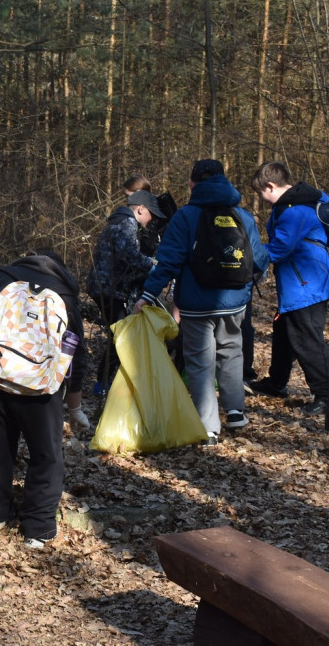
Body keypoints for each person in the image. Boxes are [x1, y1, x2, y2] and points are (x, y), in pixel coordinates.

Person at [0, 250, 88, 548]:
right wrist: (75, 407)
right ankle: (38, 530)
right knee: (46, 454)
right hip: (40, 387)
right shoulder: (65, 295)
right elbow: (76, 354)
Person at [134, 159, 269, 446]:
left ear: (193, 183)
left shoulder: (185, 216)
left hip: (196, 303)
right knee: (232, 352)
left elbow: (169, 260)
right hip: (235, 302)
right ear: (224, 179)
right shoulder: (243, 216)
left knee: (200, 361)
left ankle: (209, 426)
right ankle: (236, 413)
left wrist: (148, 295)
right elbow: (258, 261)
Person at [247, 162, 329, 415]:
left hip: (307, 284)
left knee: (307, 338)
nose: (261, 199)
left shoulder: (294, 211)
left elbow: (279, 249)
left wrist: (245, 254)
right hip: (303, 281)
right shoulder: (294, 205)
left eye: (260, 193)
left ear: (270, 186)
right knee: (284, 329)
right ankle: (277, 383)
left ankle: (325, 395)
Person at [87, 189, 166, 394]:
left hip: (107, 287)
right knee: (123, 334)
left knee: (121, 333)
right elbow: (128, 253)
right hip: (109, 288)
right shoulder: (127, 223)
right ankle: (103, 383)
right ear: (141, 209)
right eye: (152, 214)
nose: (153, 219)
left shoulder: (120, 221)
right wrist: (151, 265)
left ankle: (106, 381)